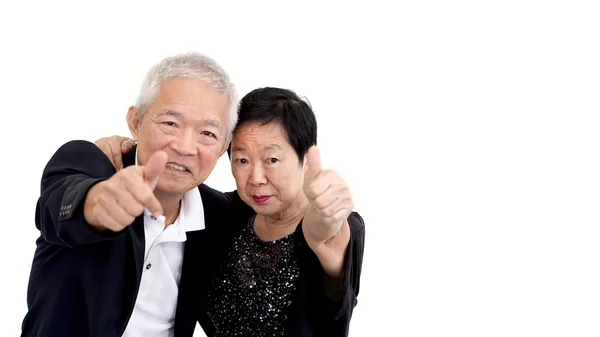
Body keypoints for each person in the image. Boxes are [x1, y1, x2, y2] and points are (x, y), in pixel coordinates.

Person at [98, 87, 365, 336]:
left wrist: (324, 232)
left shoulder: (339, 226)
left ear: (305, 159)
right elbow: (171, 179)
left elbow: (335, 310)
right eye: (242, 160)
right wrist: (124, 148)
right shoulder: (223, 213)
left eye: (272, 159)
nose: (256, 177)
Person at [21, 52, 238, 337]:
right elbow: (59, 206)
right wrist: (99, 204)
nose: (186, 147)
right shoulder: (90, 163)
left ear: (224, 145)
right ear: (136, 122)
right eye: (170, 123)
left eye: (208, 133)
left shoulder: (219, 214)